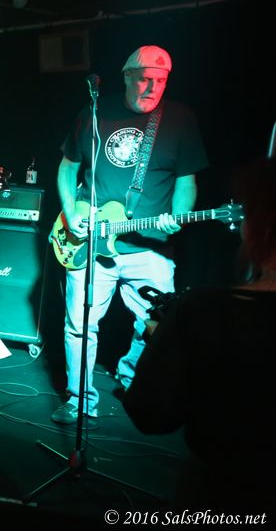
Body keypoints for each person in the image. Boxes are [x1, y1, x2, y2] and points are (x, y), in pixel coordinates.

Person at [52, 45, 208, 424]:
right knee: (80, 325)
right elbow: (67, 167)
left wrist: (179, 216)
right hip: (90, 241)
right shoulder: (95, 112)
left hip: (150, 248)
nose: (152, 87)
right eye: (144, 78)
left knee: (158, 326)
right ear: (126, 76)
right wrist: (70, 213)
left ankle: (129, 375)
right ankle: (79, 399)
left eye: (161, 80)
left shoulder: (180, 119)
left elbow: (186, 181)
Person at [123, 157, 276, 511]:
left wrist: (164, 344)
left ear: (259, 230)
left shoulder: (205, 311)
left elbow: (149, 414)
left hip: (220, 494)